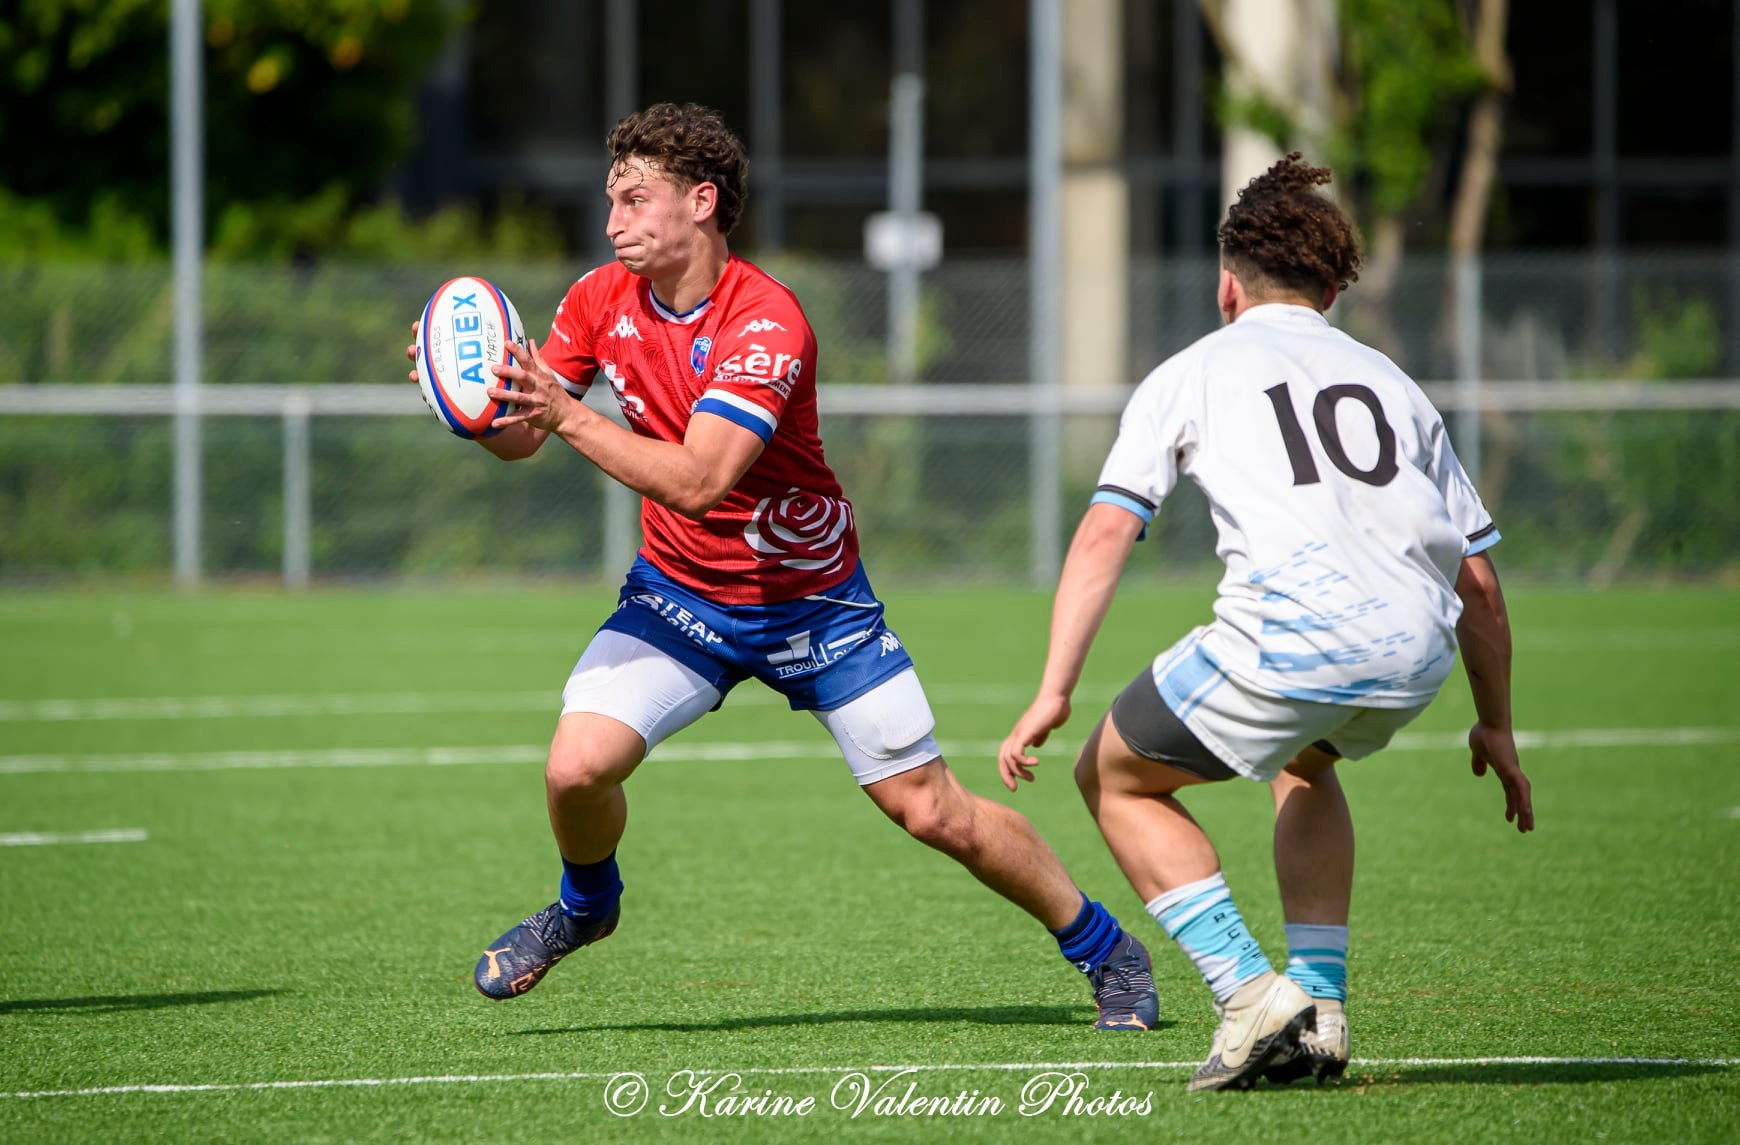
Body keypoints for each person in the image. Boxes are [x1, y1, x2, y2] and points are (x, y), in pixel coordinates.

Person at [404, 103, 1158, 1030]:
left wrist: (562, 412)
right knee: (575, 769)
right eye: (612, 202)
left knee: (933, 811)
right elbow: (524, 435)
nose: (613, 223)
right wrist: (476, 402)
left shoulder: (767, 320)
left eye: (636, 200)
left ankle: (1105, 949)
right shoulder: (600, 300)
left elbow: (697, 477)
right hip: (680, 598)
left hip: (814, 607)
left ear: (701, 202)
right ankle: (586, 904)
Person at [997, 153, 1534, 1091]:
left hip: (1290, 641)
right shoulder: (1395, 382)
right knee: (1307, 759)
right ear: (1331, 289)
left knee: (1113, 777)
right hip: (1416, 653)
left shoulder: (1193, 370)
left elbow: (1104, 534)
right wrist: (1497, 720)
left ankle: (1251, 995)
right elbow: (1480, 584)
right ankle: (1321, 1012)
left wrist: (1053, 689)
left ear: (1226, 287)